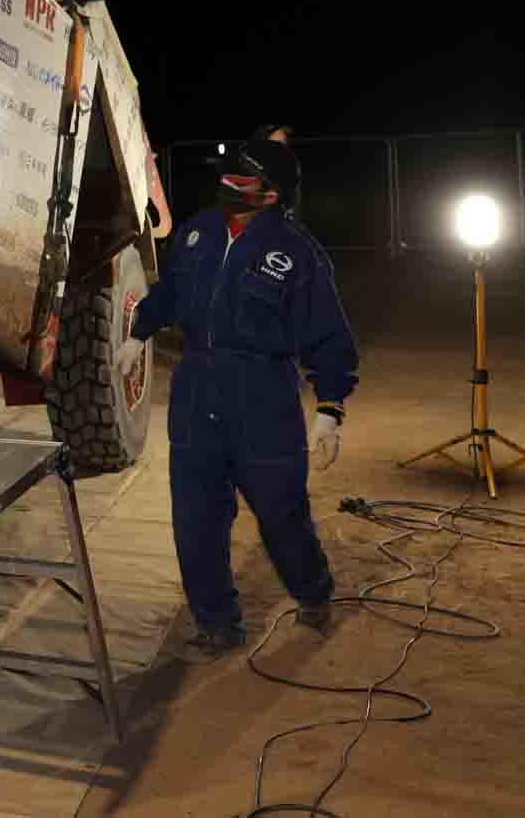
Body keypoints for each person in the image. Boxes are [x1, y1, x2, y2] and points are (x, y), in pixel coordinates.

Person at [114, 133, 357, 659]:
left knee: (279, 511)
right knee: (195, 517)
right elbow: (171, 292)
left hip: (262, 396)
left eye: (242, 178)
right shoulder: (199, 231)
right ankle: (217, 623)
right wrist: (139, 333)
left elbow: (329, 335)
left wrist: (330, 407)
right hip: (197, 387)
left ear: (270, 194)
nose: (228, 183)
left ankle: (313, 592)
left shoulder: (295, 253)